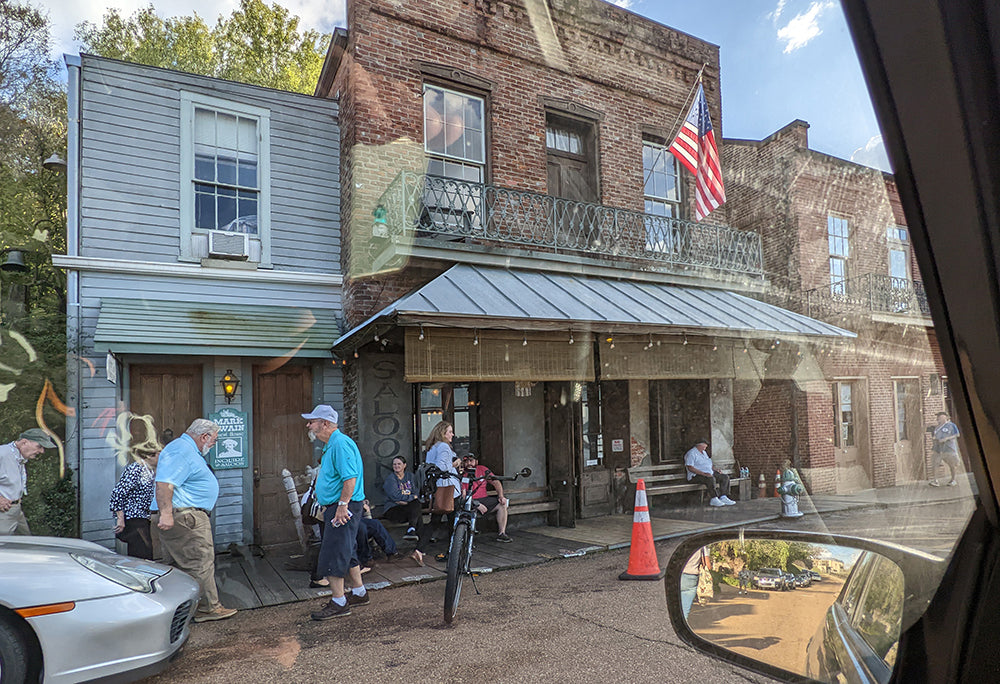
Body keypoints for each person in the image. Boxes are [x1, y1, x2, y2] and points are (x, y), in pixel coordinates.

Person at [155, 418, 237, 623]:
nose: (214, 444)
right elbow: (165, 483)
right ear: (204, 437)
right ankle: (207, 608)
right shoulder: (181, 450)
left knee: (182, 565)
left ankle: (182, 609)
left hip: (184, 515)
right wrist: (166, 513)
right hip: (185, 516)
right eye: (214, 440)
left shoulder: (185, 449)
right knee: (199, 562)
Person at [302, 404, 369, 620]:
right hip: (340, 505)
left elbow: (350, 478)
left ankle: (339, 602)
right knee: (346, 549)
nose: (308, 425)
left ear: (326, 424)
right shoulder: (333, 444)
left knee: (333, 551)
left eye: (312, 421)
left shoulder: (339, 444)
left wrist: (342, 505)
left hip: (343, 507)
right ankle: (359, 592)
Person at [109, 415, 162, 559]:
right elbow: (118, 492)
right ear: (150, 455)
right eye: (159, 454)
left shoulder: (151, 470)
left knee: (147, 552)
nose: (162, 457)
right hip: (134, 518)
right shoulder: (136, 469)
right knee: (141, 553)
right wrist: (120, 518)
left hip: (145, 517)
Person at [410, 420, 461, 566]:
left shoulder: (432, 447)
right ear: (443, 433)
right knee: (453, 522)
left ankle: (419, 551)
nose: (452, 434)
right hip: (449, 490)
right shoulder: (444, 446)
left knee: (434, 522)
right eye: (450, 431)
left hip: (437, 489)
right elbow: (442, 467)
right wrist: (455, 463)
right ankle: (453, 553)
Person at [0, 428, 56, 535]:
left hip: (16, 510)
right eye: (39, 446)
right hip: (3, 513)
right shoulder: (3, 454)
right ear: (24, 442)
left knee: (28, 544)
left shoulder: (18, 456)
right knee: (4, 548)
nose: (42, 451)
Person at [462, 453, 512, 542]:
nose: (469, 463)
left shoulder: (482, 469)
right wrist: (476, 504)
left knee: (502, 504)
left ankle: (502, 533)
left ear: (476, 461)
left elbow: (495, 481)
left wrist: (501, 496)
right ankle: (468, 537)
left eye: (471, 460)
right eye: (466, 461)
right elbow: (463, 496)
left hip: (484, 499)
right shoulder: (462, 473)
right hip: (469, 501)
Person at [683, 439, 736, 507]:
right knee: (710, 479)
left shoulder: (704, 452)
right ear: (700, 445)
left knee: (724, 477)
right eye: (705, 445)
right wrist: (703, 473)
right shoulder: (691, 453)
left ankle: (723, 496)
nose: (706, 447)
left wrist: (716, 469)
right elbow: (690, 467)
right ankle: (714, 498)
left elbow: (708, 464)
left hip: (709, 473)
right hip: (695, 476)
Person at [382, 455, 422, 541]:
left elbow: (416, 492)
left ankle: (412, 532)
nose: (396, 466)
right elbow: (395, 496)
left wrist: (406, 500)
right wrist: (411, 498)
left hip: (408, 508)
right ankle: (419, 545)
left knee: (416, 505)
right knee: (417, 513)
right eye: (394, 464)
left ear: (404, 465)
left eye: (399, 464)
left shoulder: (410, 476)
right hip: (393, 510)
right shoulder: (391, 479)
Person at [357, 499, 399, 571]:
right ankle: (365, 559)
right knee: (361, 528)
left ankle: (392, 553)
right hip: (343, 518)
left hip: (357, 516)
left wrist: (363, 503)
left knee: (375, 524)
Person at [930, 411, 961, 487]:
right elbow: (936, 436)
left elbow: (957, 434)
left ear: (945, 417)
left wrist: (946, 439)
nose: (938, 418)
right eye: (937, 417)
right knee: (935, 463)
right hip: (938, 449)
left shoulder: (951, 425)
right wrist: (935, 439)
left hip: (948, 449)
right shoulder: (937, 427)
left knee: (952, 465)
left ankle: (953, 480)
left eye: (939, 416)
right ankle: (935, 480)